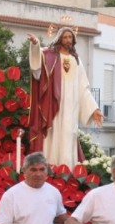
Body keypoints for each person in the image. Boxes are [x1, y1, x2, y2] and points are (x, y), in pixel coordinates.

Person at [27, 28, 103, 168]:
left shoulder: (76, 60)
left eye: (70, 37)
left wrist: (94, 109)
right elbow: (37, 70)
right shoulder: (49, 55)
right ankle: (51, 168)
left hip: (71, 107)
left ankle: (67, 171)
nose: (68, 40)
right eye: (65, 37)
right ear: (59, 39)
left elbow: (83, 88)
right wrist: (35, 45)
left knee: (69, 134)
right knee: (53, 136)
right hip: (53, 105)